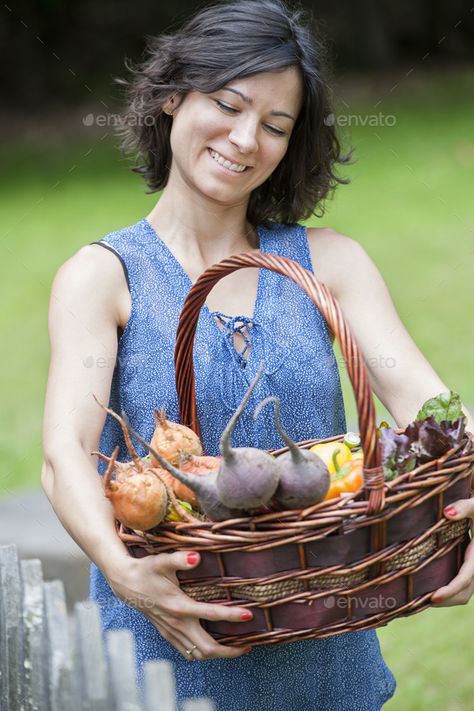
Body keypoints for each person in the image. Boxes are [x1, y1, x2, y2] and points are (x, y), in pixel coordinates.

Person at [41, 1, 474, 709]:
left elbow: (436, 411)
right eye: (228, 104)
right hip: (169, 657)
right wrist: (122, 570)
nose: (246, 139)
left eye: (275, 126)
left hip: (329, 661)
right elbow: (66, 452)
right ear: (173, 96)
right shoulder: (103, 276)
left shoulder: (330, 263)